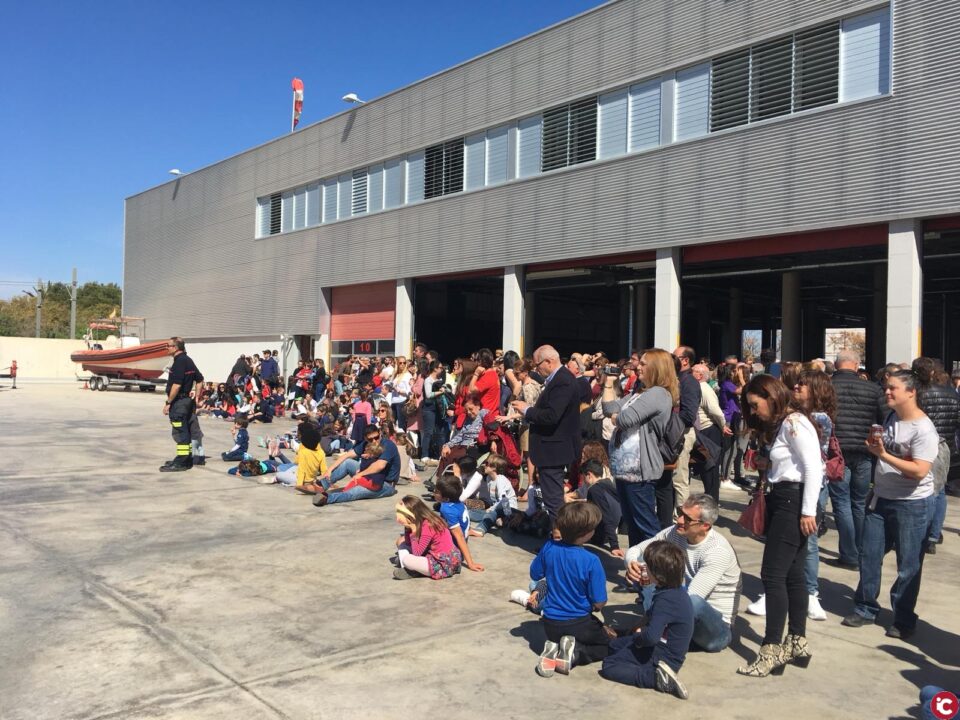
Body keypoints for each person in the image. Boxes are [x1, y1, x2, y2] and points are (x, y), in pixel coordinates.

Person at [842, 370, 939, 640]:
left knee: (908, 564)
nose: (887, 392)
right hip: (881, 499)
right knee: (869, 554)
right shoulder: (891, 417)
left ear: (911, 392)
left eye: (893, 388)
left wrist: (883, 454)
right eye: (886, 387)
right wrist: (876, 448)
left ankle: (904, 618)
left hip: (913, 504)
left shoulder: (924, 429)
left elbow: (919, 470)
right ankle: (864, 607)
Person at [737, 374, 822, 677]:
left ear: (769, 396)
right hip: (785, 500)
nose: (754, 410)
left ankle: (771, 647)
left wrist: (809, 511)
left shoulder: (795, 423)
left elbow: (814, 466)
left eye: (755, 404)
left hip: (792, 502)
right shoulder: (786, 424)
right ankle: (797, 639)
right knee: (792, 574)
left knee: (772, 575)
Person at [624, 494, 741, 653]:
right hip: (683, 609)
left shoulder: (717, 551)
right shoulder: (676, 532)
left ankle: (658, 632)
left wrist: (644, 622)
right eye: (680, 513)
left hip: (714, 630)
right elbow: (638, 549)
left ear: (705, 526)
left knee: (692, 601)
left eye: (687, 518)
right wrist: (631, 564)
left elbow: (687, 603)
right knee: (646, 562)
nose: (679, 520)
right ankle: (660, 630)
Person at [602, 348, 676, 545]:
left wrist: (617, 418)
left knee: (646, 526)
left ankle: (658, 568)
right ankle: (638, 568)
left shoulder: (659, 394)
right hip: (625, 470)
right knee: (633, 525)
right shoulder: (639, 392)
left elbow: (625, 418)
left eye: (643, 364)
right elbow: (609, 409)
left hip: (639, 472)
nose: (638, 366)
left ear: (657, 368)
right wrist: (609, 384)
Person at [600, 541, 693, 699]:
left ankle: (655, 678)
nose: (643, 568)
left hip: (663, 658)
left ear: (657, 575)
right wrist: (630, 632)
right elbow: (650, 615)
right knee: (614, 645)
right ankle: (648, 668)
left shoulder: (666, 601)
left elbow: (651, 637)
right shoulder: (672, 591)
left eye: (646, 566)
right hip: (663, 649)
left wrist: (638, 636)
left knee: (609, 665)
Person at [530, 502, 610, 678]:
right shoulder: (591, 560)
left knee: (568, 633)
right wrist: (596, 607)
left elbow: (535, 573)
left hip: (550, 623)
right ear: (585, 535)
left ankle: (553, 647)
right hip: (579, 622)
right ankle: (576, 654)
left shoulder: (549, 548)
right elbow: (599, 601)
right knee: (609, 645)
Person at [510, 345, 582, 523]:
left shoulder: (563, 380)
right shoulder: (557, 379)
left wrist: (528, 410)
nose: (536, 369)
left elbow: (551, 415)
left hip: (554, 449)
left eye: (537, 365)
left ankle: (560, 540)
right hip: (551, 448)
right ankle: (557, 538)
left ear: (548, 362)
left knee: (553, 500)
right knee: (552, 498)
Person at [830, 349, 885, 568]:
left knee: (841, 501)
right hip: (864, 450)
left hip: (837, 450)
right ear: (856, 365)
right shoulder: (873, 389)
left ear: (836, 365)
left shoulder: (827, 387)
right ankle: (863, 550)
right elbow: (882, 419)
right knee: (860, 502)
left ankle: (849, 553)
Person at [315, 424, 400, 505]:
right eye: (370, 439)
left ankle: (327, 498)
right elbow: (347, 455)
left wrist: (360, 474)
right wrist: (329, 470)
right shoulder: (365, 444)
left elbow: (380, 465)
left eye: (376, 437)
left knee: (355, 491)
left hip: (385, 484)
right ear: (365, 438)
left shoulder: (388, 445)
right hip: (370, 477)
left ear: (379, 433)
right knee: (348, 463)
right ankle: (322, 485)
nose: (374, 441)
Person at [392, 496, 462, 580]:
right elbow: (408, 542)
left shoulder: (428, 525)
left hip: (444, 564)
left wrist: (413, 531)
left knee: (407, 560)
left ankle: (412, 571)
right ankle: (415, 567)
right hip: (435, 554)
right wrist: (408, 528)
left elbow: (417, 553)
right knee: (400, 542)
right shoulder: (422, 520)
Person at [161, 337, 204, 472]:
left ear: (176, 347)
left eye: (168, 346)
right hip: (187, 403)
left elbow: (177, 385)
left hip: (179, 403)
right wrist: (197, 397)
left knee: (180, 432)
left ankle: (182, 461)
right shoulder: (189, 360)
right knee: (187, 430)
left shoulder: (179, 362)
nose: (166, 348)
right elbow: (200, 380)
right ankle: (185, 458)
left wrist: (168, 402)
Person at [567, 459, 622, 556]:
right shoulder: (607, 483)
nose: (584, 482)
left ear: (589, 475)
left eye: (583, 478)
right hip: (610, 529)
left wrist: (614, 546)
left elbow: (606, 516)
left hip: (600, 535)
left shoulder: (594, 490)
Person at [670, 346, 702, 512]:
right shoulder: (677, 379)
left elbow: (689, 415)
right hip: (674, 433)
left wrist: (668, 421)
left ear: (685, 360)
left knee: (679, 478)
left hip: (683, 434)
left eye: (673, 357)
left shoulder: (689, 382)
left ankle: (682, 517)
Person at [691, 363, 728, 502]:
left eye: (693, 371)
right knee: (705, 469)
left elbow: (715, 411)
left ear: (700, 375)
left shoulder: (704, 388)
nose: (690, 373)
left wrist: (723, 426)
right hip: (701, 431)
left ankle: (712, 502)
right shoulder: (696, 387)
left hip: (709, 431)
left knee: (710, 469)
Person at [434, 474, 484, 572]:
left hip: (452, 553)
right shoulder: (459, 503)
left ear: (446, 498)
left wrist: (471, 563)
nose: (434, 492)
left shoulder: (447, 509)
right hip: (457, 550)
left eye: (436, 491)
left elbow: (459, 536)